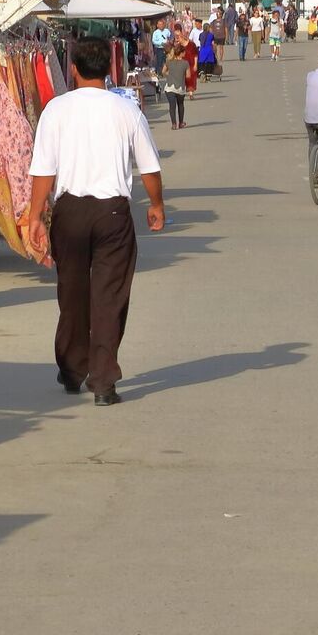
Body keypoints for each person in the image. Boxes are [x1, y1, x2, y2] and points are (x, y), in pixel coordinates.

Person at [25, 37, 166, 406]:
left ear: (72, 68)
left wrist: (35, 215)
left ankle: (73, 369)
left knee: (71, 292)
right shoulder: (126, 110)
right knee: (110, 296)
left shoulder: (56, 110)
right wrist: (156, 204)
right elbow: (149, 166)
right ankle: (103, 381)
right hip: (113, 214)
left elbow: (43, 170)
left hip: (70, 211)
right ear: (110, 69)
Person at [160, 30, 192, 129]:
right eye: (184, 52)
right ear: (181, 53)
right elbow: (188, 76)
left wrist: (170, 74)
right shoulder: (185, 63)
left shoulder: (169, 61)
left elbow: (163, 72)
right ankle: (181, 123)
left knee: (172, 106)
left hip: (169, 87)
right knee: (180, 105)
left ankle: (174, 124)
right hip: (180, 87)